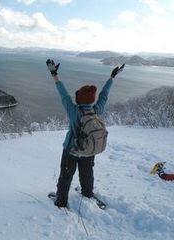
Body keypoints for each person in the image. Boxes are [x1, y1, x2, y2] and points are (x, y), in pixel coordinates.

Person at [46, 59, 125, 208]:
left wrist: (54, 74)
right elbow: (104, 95)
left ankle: (61, 201)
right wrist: (112, 77)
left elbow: (63, 93)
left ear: (79, 98)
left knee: (66, 176)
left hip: (71, 149)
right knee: (87, 173)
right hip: (89, 150)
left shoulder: (74, 111)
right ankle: (87, 193)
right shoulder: (97, 110)